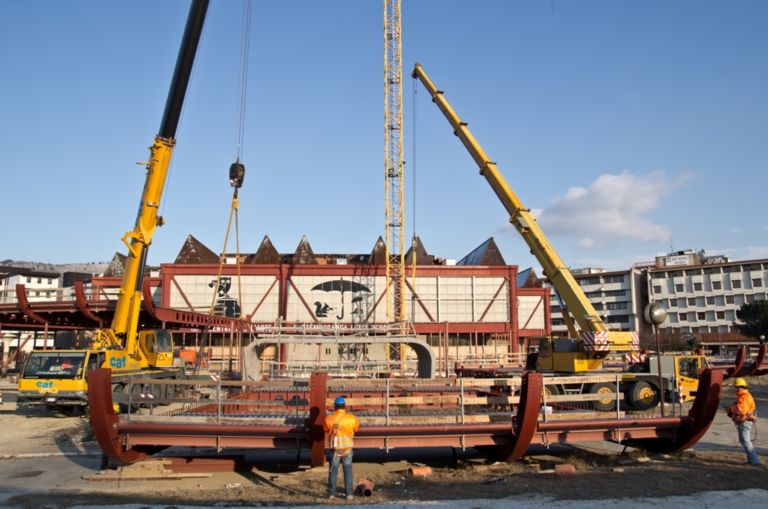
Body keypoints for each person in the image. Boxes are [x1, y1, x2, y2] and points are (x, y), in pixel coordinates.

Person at [324, 395, 359, 499]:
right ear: (345, 406)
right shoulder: (352, 419)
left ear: (335, 407)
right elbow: (356, 429)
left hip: (334, 450)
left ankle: (331, 494)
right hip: (347, 449)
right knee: (347, 470)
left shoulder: (329, 419)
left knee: (333, 471)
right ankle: (349, 494)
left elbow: (325, 429)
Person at [726, 377, 761, 466]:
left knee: (745, 441)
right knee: (744, 441)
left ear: (740, 387)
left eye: (736, 388)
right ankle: (751, 460)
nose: (736, 390)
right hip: (746, 421)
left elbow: (741, 411)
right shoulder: (744, 396)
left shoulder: (744, 398)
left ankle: (755, 461)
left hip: (745, 422)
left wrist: (731, 411)